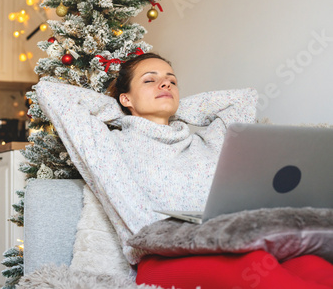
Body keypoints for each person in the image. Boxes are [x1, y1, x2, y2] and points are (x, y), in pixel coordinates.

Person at [35, 52, 258, 265]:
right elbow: (50, 93)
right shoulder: (109, 147)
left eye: (172, 82)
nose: (166, 84)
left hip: (225, 246)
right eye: (150, 80)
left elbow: (245, 100)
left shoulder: (207, 144)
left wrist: (174, 107)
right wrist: (123, 110)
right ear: (125, 97)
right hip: (161, 258)